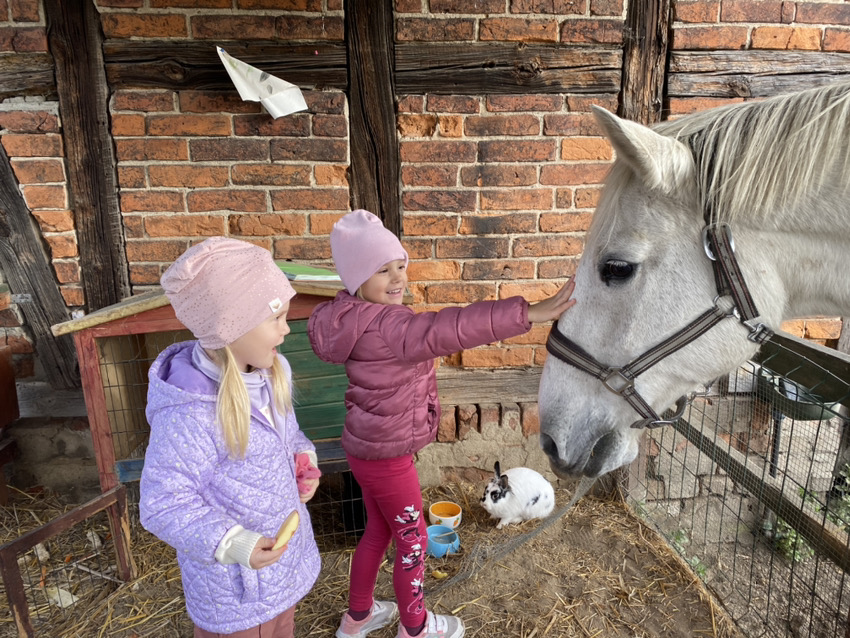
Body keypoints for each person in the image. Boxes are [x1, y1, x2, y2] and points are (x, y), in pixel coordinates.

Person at [307, 210, 575, 638]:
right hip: (389, 457)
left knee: (379, 530)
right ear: (357, 278)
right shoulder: (392, 325)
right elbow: (451, 328)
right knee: (413, 539)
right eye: (382, 270)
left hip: (364, 449)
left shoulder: (352, 315)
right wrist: (530, 313)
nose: (397, 279)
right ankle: (414, 627)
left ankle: (358, 616)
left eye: (400, 266)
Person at [140, 237, 322, 638]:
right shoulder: (192, 412)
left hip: (277, 570)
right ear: (232, 328)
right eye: (275, 318)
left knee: (282, 628)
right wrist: (233, 542)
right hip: (235, 588)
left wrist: (301, 458)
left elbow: (287, 432)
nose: (286, 329)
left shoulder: (271, 372)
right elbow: (163, 501)